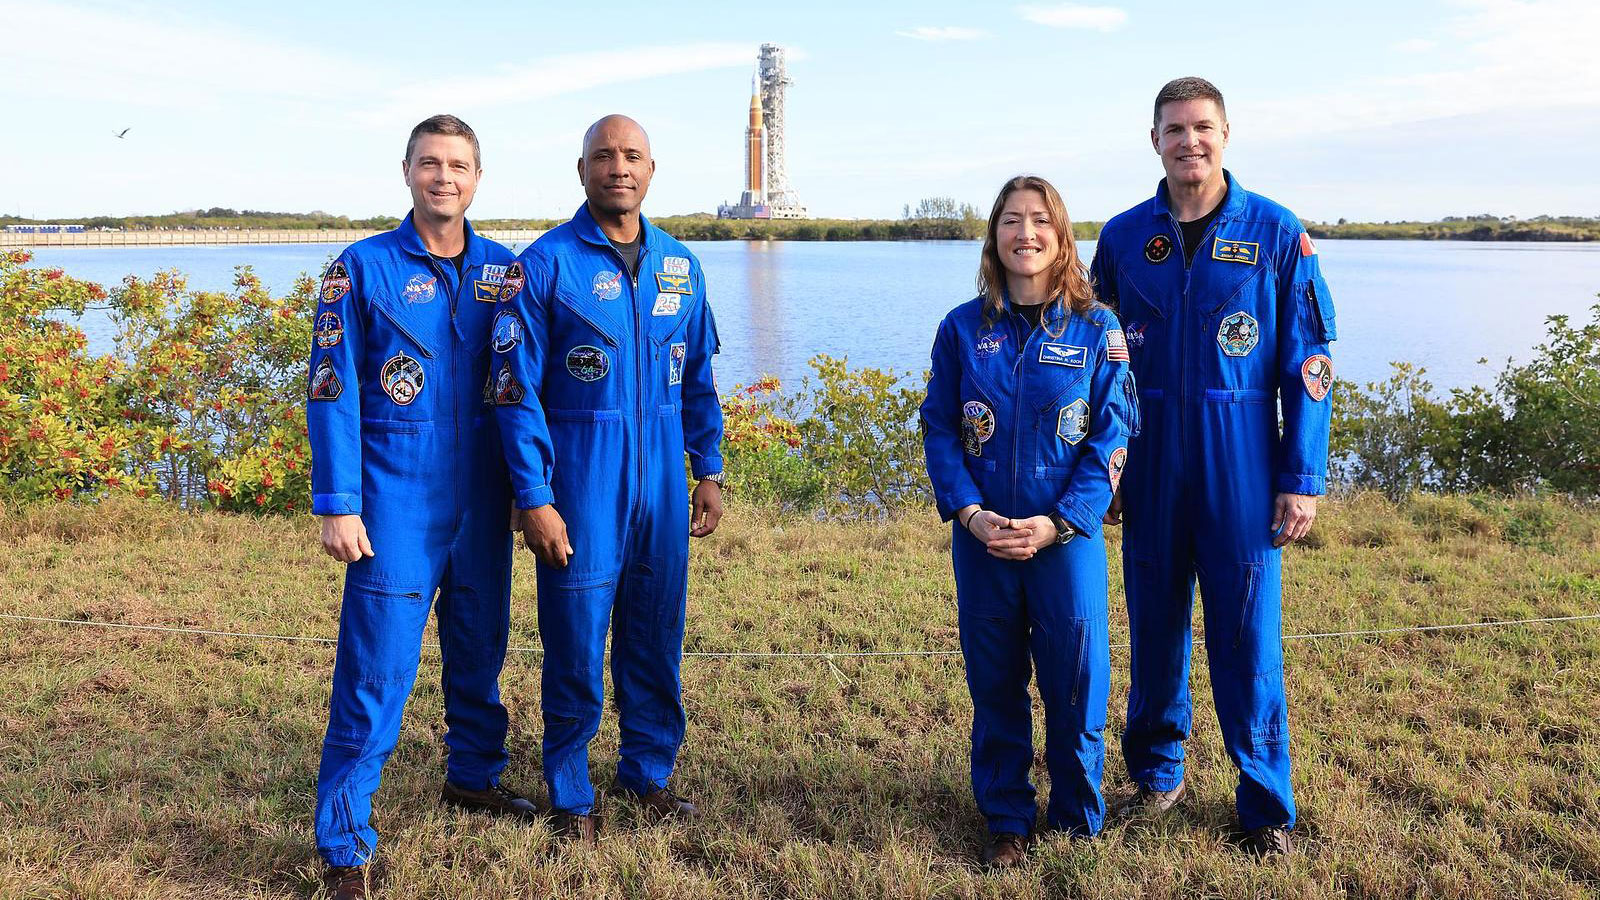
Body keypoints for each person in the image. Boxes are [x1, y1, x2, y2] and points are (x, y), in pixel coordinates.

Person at [1088, 77, 1337, 856]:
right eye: (1173, 129)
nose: (1188, 141)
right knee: (1154, 628)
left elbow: (1311, 365)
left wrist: (1302, 475)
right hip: (1152, 459)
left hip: (1243, 465)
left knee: (1247, 637)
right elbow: (1095, 363)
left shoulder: (1274, 232)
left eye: (1202, 127)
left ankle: (1264, 804)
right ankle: (1157, 777)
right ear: (1153, 140)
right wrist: (1107, 473)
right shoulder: (1126, 237)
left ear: (1225, 134)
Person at [307, 115, 535, 898]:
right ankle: (344, 842)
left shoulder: (507, 272)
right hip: (395, 498)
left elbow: (526, 390)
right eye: (430, 163)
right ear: (405, 170)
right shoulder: (359, 270)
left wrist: (528, 488)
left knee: (481, 651)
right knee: (376, 671)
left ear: (479, 177)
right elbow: (330, 392)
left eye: (460, 165)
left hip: (483, 498)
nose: (445, 177)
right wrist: (339, 504)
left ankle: (473, 777)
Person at [493, 114, 725, 843]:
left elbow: (698, 380)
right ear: (582, 170)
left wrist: (707, 469)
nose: (618, 168)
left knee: (656, 634)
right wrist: (534, 496)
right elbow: (513, 390)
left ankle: (647, 774)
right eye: (603, 157)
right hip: (581, 486)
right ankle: (571, 791)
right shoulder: (545, 265)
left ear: (652, 170)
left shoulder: (681, 266)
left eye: (631, 156)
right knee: (575, 638)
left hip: (660, 484)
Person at [920, 175, 1138, 867]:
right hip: (983, 536)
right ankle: (1007, 819)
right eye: (1011, 221)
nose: (1025, 234)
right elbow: (939, 430)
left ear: (1061, 233)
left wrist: (1061, 522)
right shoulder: (962, 328)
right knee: (995, 682)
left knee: (1076, 684)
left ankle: (1076, 819)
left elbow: (1114, 432)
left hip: (1064, 540)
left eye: (1039, 220)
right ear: (994, 237)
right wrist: (972, 513)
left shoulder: (1097, 327)